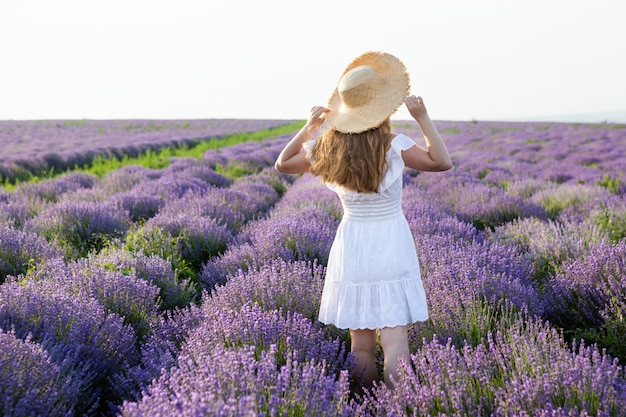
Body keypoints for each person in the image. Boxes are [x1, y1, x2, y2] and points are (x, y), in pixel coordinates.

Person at [274, 51, 452, 388]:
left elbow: (283, 164)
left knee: (361, 345)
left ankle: (365, 406)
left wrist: (309, 127)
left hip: (353, 244)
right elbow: (441, 162)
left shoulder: (327, 149)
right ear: (382, 110)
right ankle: (399, 405)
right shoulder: (395, 146)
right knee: (396, 342)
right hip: (392, 242)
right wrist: (423, 118)